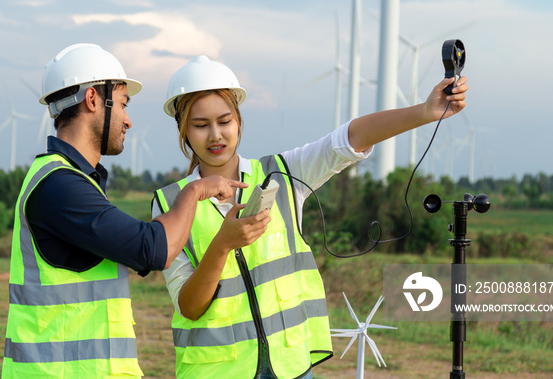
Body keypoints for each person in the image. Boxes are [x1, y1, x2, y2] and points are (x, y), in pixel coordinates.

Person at [152, 55, 469, 379]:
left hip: (291, 366)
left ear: (239, 120)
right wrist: (221, 246)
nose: (216, 135)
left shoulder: (284, 174)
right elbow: (189, 306)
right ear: (182, 129)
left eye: (224, 121)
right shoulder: (169, 204)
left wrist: (425, 111)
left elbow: (349, 139)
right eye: (201, 125)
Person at [2, 44, 247, 378]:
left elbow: (143, 241)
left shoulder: (69, 181)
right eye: (122, 104)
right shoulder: (60, 187)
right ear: (92, 100)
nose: (128, 121)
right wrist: (195, 190)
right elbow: (152, 249)